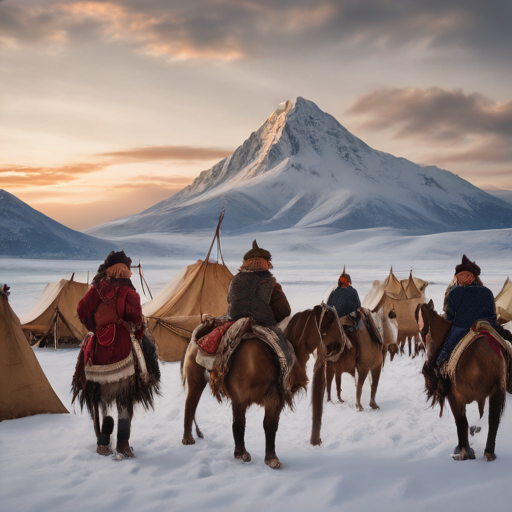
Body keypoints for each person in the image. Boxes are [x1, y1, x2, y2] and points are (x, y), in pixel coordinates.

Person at [73, 250, 159, 458]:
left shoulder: (96, 289)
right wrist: (137, 331)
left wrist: (94, 327)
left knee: (86, 357)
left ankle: (102, 440)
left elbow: (82, 310)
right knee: (146, 355)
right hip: (121, 350)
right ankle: (123, 444)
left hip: (98, 349)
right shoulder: (128, 292)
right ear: (126, 272)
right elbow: (137, 317)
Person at [437, 255, 498, 367]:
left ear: (469, 277)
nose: (457, 279)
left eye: (459, 276)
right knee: (506, 344)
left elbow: (450, 317)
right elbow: (493, 316)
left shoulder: (454, 293)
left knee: (442, 358)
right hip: (486, 326)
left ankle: (441, 376)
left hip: (461, 328)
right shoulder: (487, 292)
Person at [228, 240, 291, 336]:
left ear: (245, 263)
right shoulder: (271, 283)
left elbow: (230, 300)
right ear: (266, 263)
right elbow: (284, 311)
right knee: (287, 347)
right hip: (264, 322)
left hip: (236, 319)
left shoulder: (235, 280)